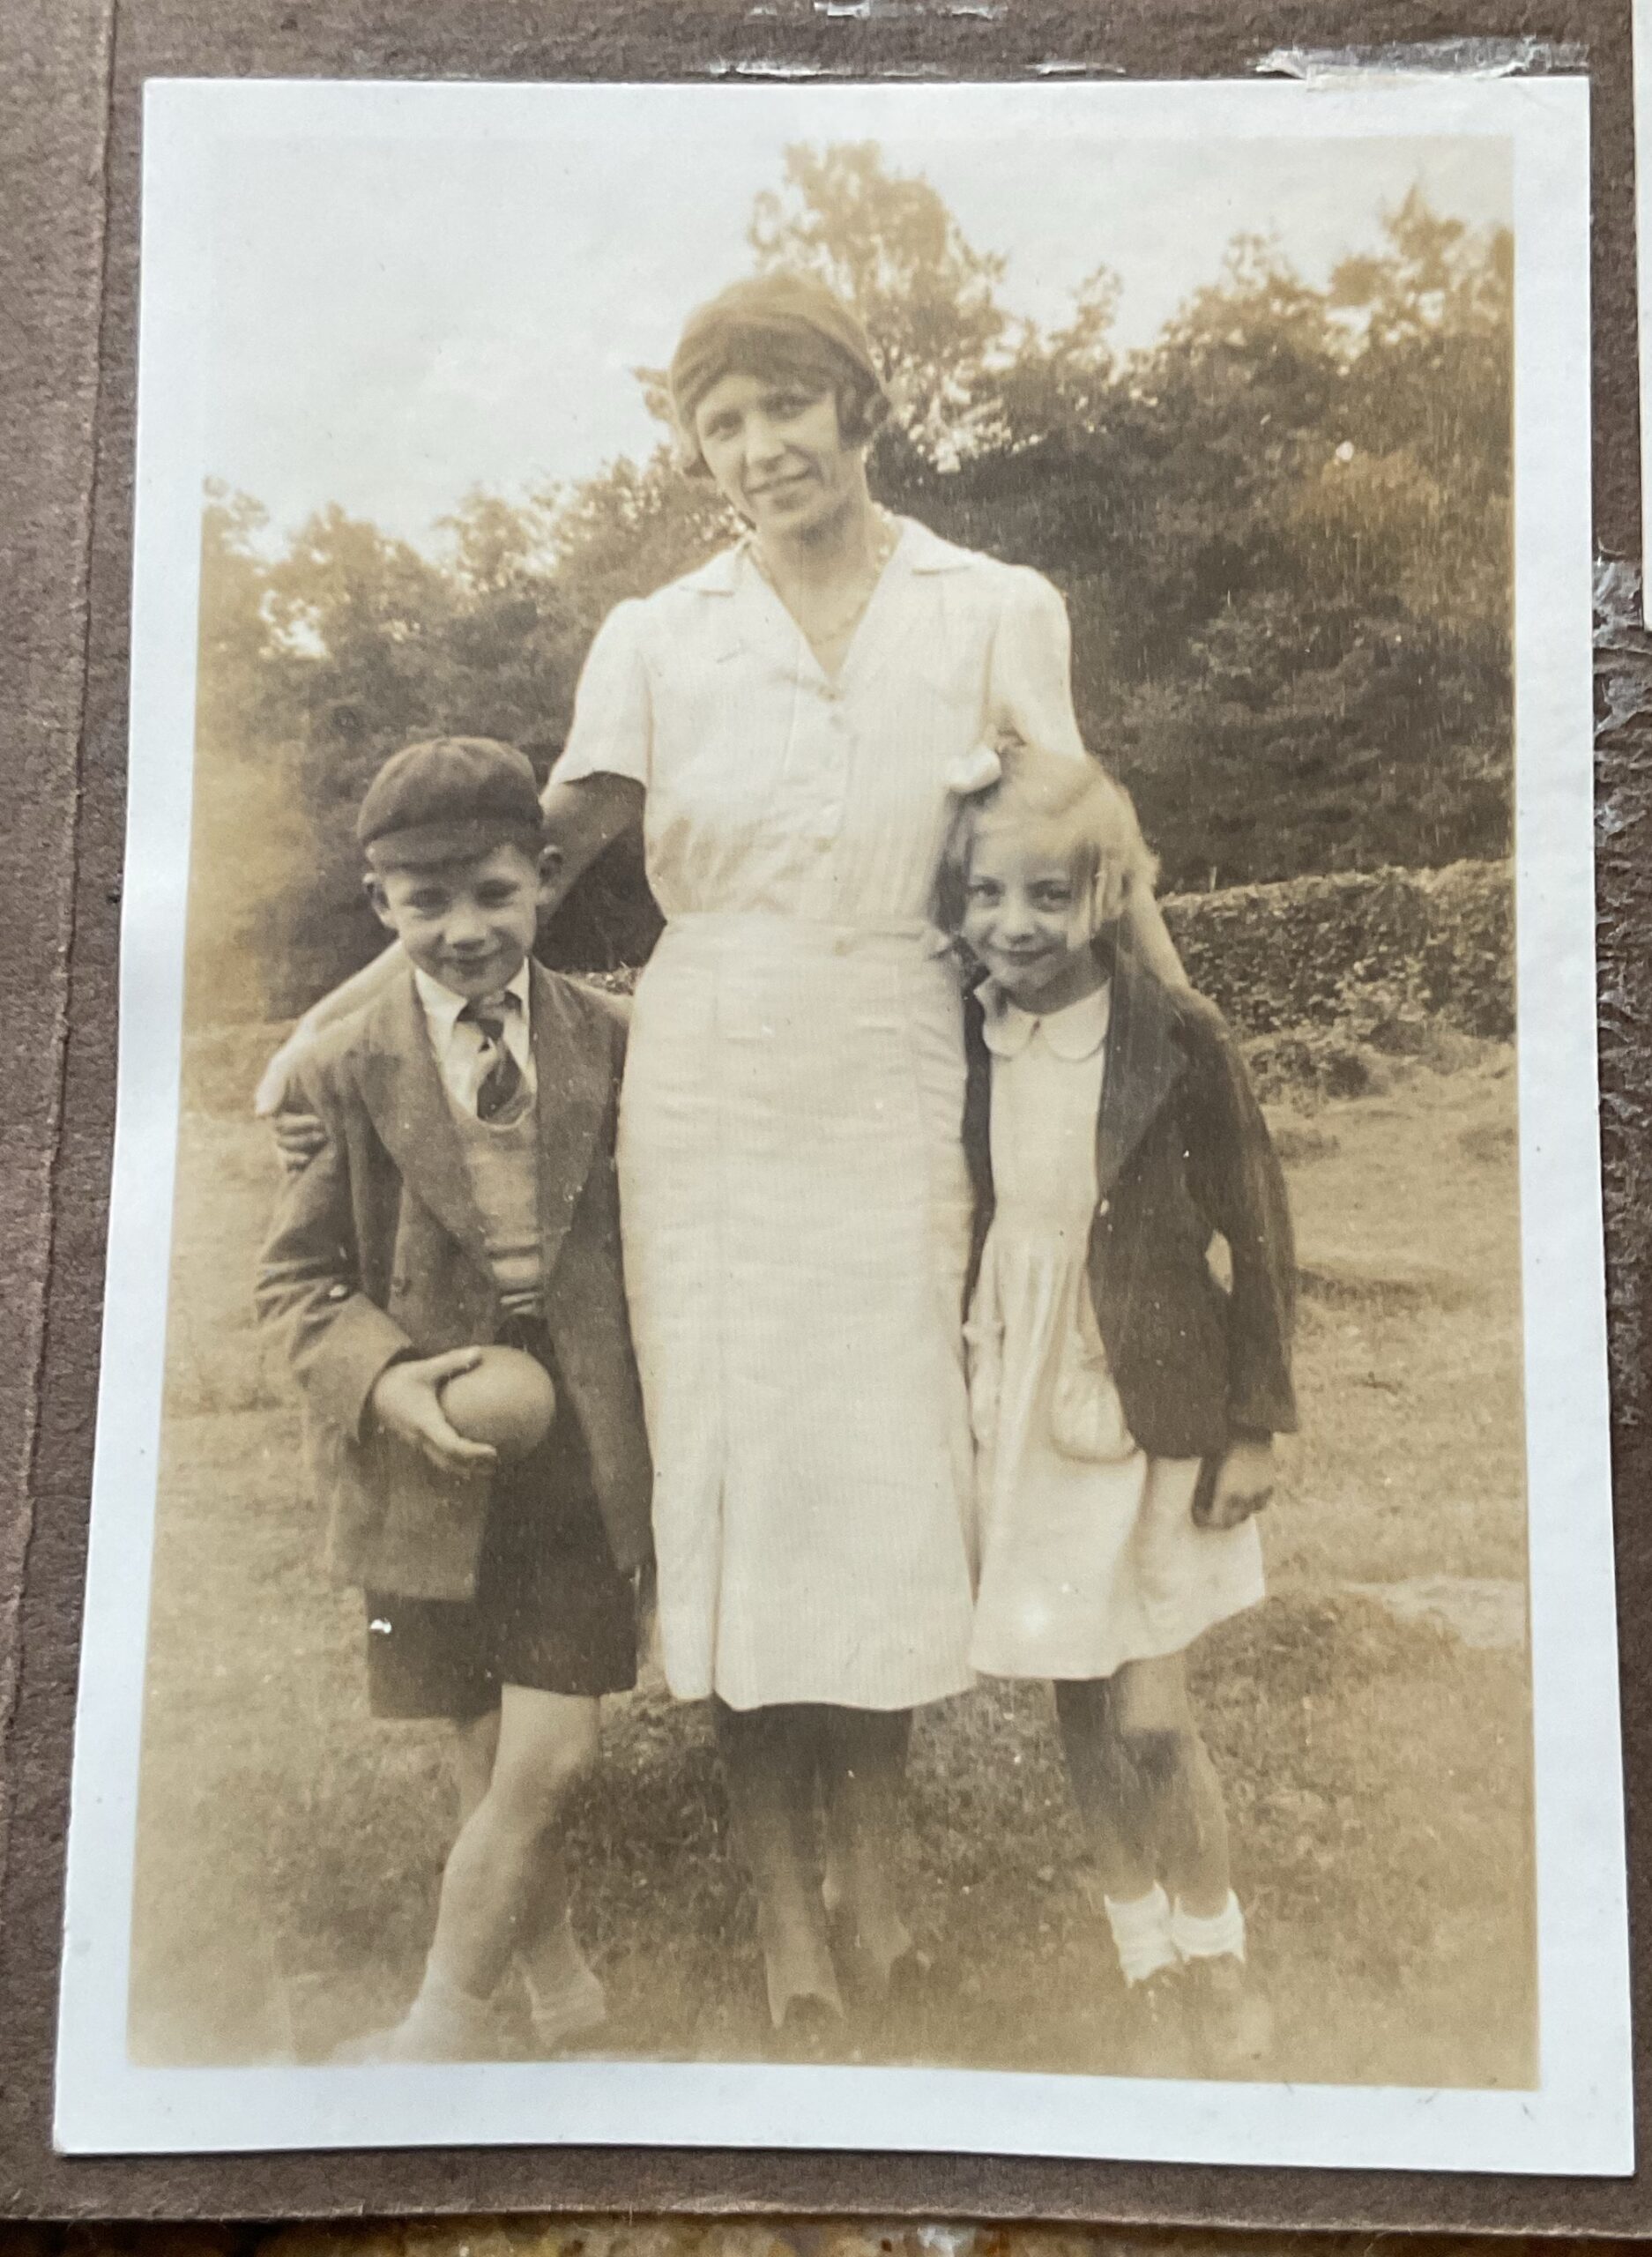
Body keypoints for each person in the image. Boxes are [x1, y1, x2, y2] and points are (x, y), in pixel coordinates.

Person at [257, 270, 1185, 2045]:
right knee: (743, 1478)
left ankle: (890, 1902)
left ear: (858, 408)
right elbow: (519, 854)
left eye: (787, 408)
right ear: (696, 451)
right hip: (712, 1081)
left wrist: (1183, 1061)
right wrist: (338, 1008)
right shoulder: (658, 634)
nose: (760, 450)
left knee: (885, 1463)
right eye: (722, 424)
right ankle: (787, 1928)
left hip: (899, 1054)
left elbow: (1083, 844)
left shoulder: (993, 606)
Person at [255, 735, 651, 2062]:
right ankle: (562, 1985)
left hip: (578, 1449)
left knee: (551, 1760)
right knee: (483, 1753)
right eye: (425, 905)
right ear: (381, 908)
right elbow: (297, 1284)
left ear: (542, 881)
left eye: (491, 894)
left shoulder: (614, 1042)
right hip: (429, 1455)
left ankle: (437, 2027)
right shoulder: (346, 1066)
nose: (463, 929)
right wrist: (386, 1382)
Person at [941, 736, 1297, 2075]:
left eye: (1047, 895)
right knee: (1078, 1702)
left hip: (1156, 1388)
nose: (1013, 925)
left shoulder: (1173, 1033)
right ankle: (1139, 1957)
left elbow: (1255, 1230)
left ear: (1110, 895)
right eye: (986, 895)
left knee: (1151, 1712)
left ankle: (1217, 1950)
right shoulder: (965, 1028)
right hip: (1020, 1382)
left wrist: (1257, 1421)